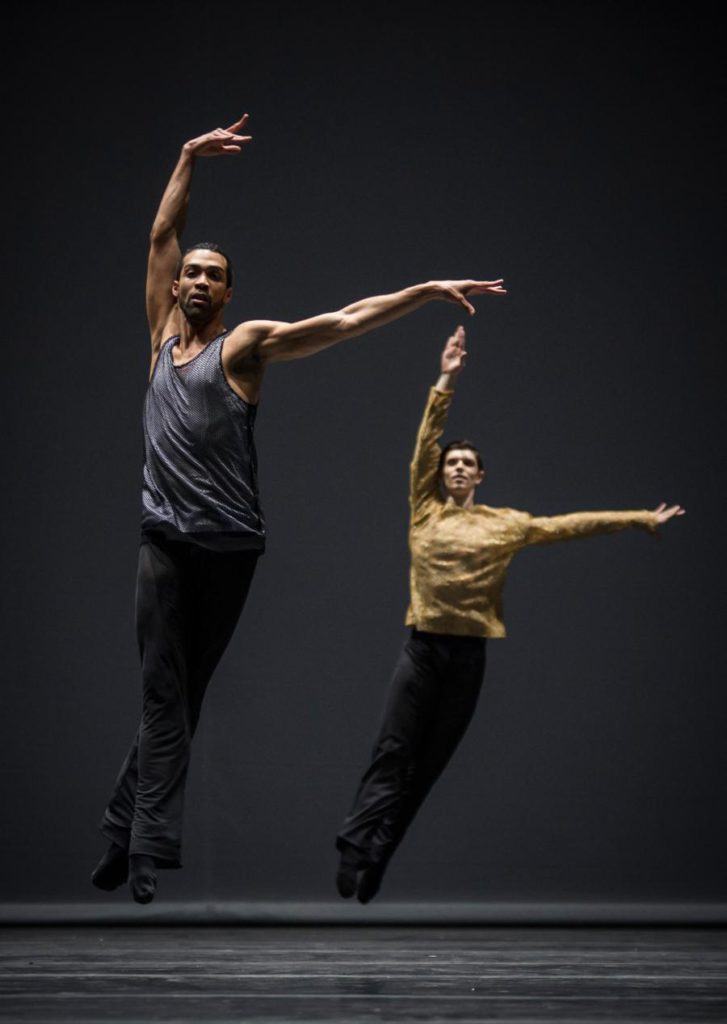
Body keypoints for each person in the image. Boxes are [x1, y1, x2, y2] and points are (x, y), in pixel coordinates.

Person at [90, 114, 507, 904]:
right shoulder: (157, 338)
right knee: (161, 692)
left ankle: (120, 826)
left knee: (184, 696)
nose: (202, 281)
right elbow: (159, 231)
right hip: (163, 543)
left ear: (229, 292)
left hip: (231, 549)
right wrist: (184, 154)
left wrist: (421, 293)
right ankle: (145, 850)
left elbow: (342, 322)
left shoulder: (241, 347)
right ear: (177, 285)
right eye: (194, 272)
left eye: (216, 275)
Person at [335, 324, 684, 904]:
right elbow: (427, 440)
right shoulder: (424, 512)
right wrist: (446, 376)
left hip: (468, 657)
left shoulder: (507, 523)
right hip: (421, 649)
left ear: (481, 475)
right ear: (441, 474)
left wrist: (640, 519)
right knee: (392, 750)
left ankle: (377, 858)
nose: (457, 467)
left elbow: (570, 525)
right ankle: (353, 845)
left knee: (428, 767)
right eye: (452, 463)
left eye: (468, 463)